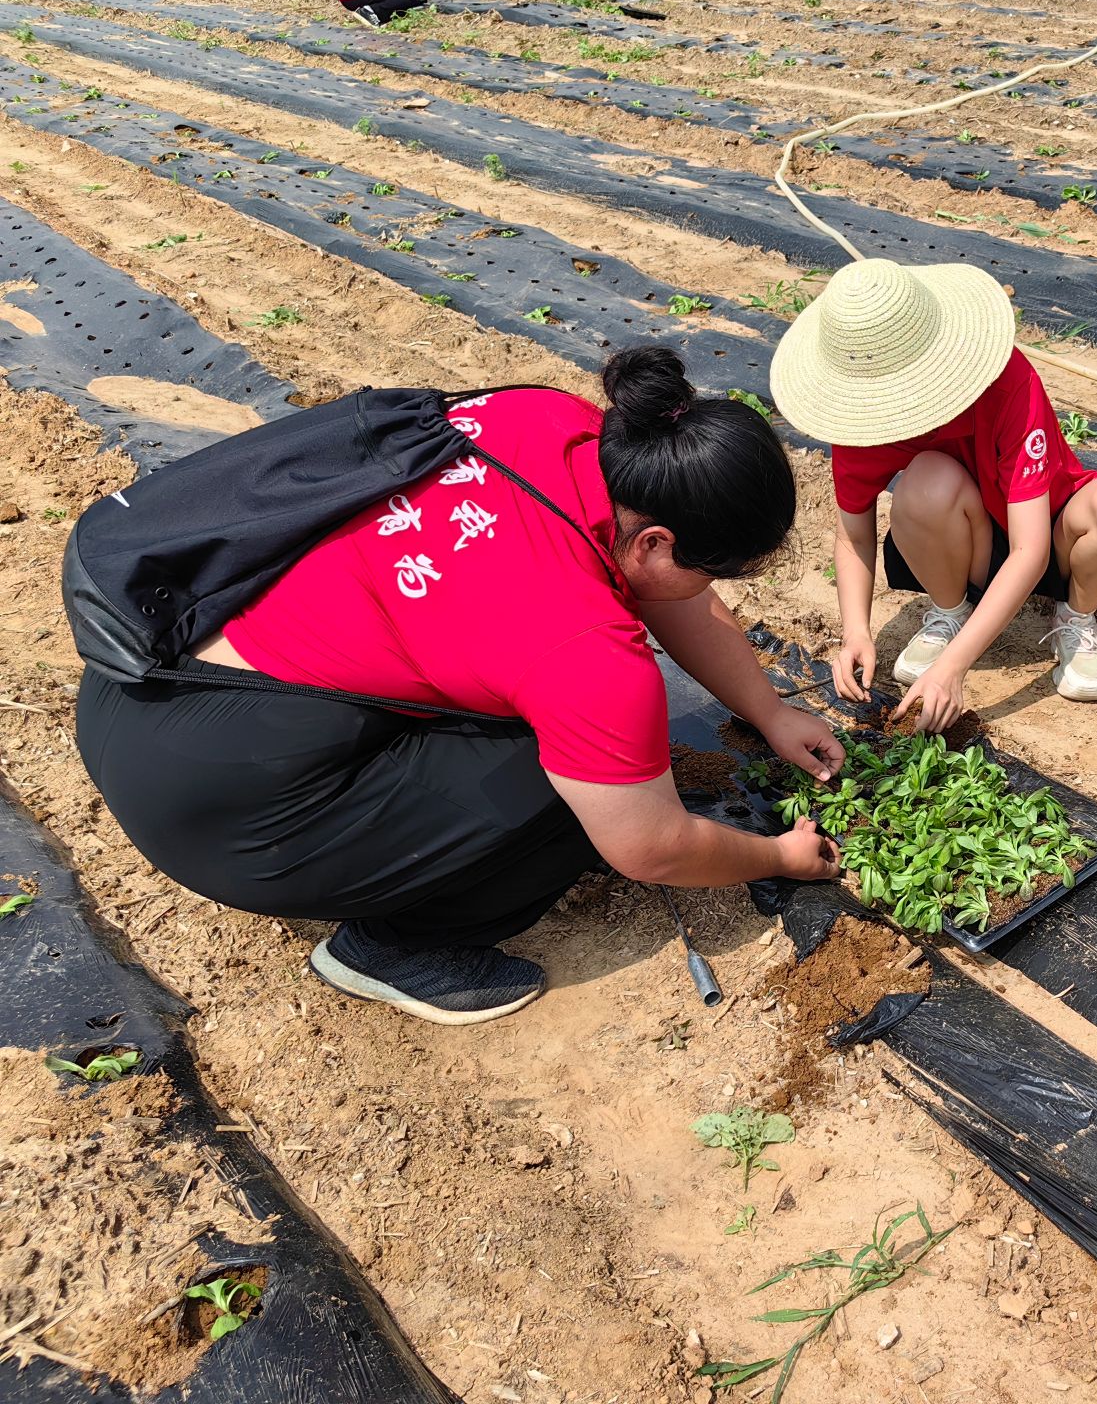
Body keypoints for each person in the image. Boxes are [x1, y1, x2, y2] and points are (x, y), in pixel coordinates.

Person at [75, 351, 844, 1026]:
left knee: (578, 737)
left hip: (141, 670)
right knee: (574, 790)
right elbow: (652, 848)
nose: (711, 588)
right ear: (656, 541)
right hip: (225, 812)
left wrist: (768, 710)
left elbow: (659, 584)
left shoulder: (546, 419)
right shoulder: (585, 653)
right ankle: (398, 949)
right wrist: (779, 856)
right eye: (712, 570)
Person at [767, 259, 1097, 733]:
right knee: (927, 480)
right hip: (966, 545)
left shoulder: (1006, 383)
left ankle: (1074, 615)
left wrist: (952, 668)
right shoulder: (861, 426)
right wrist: (855, 632)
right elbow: (853, 535)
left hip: (1051, 537)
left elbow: (1030, 549)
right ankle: (952, 609)